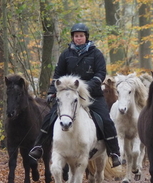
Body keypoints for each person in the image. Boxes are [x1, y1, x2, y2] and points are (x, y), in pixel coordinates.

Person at [29, 23, 122, 168]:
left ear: (86, 37)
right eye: (76, 36)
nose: (79, 38)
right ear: (73, 38)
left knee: (106, 120)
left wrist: (86, 87)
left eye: (81, 36)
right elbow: (58, 75)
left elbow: (100, 74)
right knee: (50, 116)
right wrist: (51, 92)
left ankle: (114, 152)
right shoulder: (65, 54)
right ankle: (38, 146)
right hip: (67, 95)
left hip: (92, 96)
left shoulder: (96, 54)